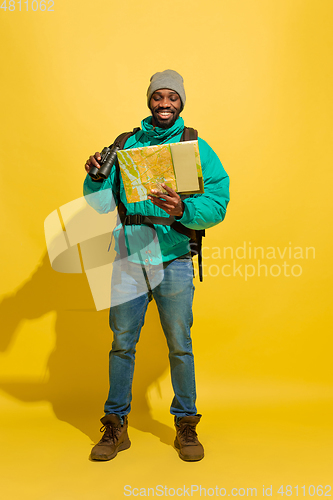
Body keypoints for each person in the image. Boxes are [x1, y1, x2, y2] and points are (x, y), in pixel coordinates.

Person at [83, 69, 230, 462]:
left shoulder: (195, 146)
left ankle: (186, 423)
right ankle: (115, 424)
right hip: (129, 258)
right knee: (121, 344)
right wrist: (95, 175)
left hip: (175, 258)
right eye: (158, 97)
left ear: (182, 102)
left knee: (180, 346)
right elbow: (97, 202)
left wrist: (185, 208)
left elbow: (218, 203)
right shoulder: (125, 144)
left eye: (173, 98)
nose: (165, 104)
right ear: (149, 100)